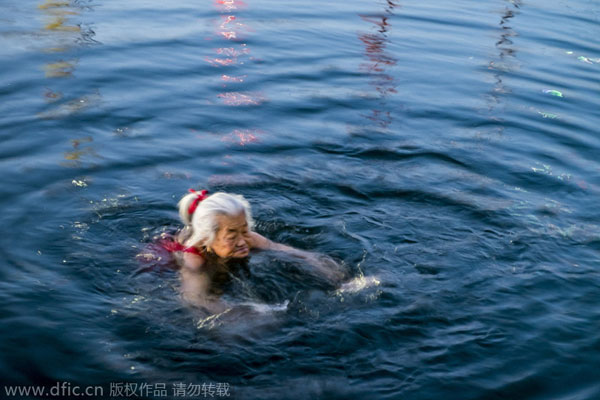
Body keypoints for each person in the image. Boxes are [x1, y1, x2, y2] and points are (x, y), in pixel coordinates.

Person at [166, 189, 346, 312]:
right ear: (206, 239)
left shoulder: (242, 234)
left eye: (245, 230)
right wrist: (242, 312)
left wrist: (337, 278)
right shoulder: (193, 260)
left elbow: (295, 253)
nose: (243, 241)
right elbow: (194, 299)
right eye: (232, 236)